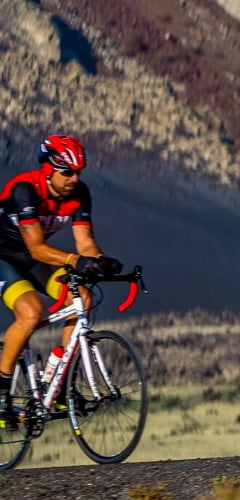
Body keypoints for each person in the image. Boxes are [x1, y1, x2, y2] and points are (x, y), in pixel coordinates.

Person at [0, 135, 123, 430]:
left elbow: (85, 242)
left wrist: (100, 261)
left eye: (79, 171)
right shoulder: (25, 190)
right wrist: (76, 261)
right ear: (48, 169)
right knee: (31, 313)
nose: (74, 178)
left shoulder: (79, 194)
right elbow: (36, 248)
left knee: (82, 298)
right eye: (67, 172)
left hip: (38, 260)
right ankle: (2, 391)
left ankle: (59, 386)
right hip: (5, 257)